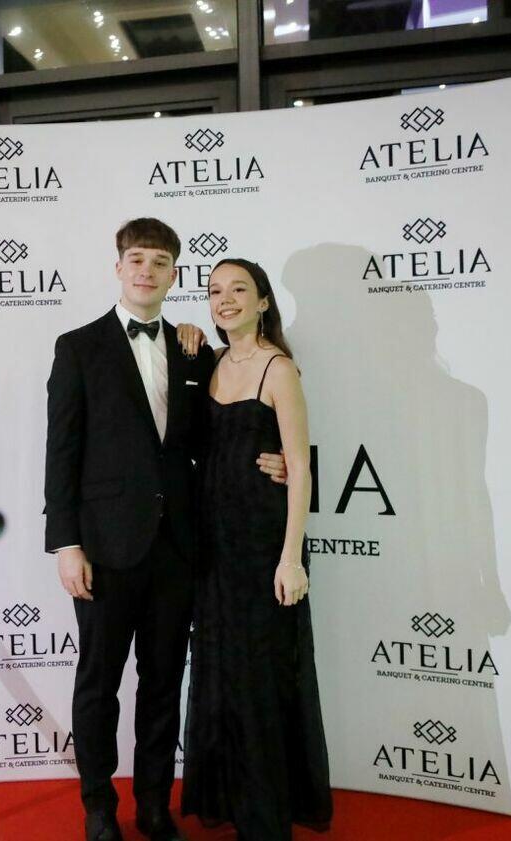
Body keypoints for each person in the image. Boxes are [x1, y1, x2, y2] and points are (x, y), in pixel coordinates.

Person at [44, 220, 286, 841]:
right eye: (137, 260)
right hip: (104, 549)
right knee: (98, 684)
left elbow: (219, 436)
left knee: (162, 683)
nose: (147, 271)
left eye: (159, 262)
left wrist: (273, 458)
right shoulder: (78, 347)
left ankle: (153, 803)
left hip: (178, 548)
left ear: (174, 274)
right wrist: (67, 545)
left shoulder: (193, 350)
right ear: (118, 268)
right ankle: (99, 807)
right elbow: (61, 454)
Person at [178, 258, 333, 840]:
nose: (225, 299)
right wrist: (185, 334)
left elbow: (300, 467)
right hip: (213, 548)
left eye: (239, 289)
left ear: (263, 301)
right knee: (221, 673)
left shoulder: (279, 369)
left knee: (261, 680)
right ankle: (230, 798)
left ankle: (264, 816)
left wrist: (291, 558)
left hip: (264, 546)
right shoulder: (210, 363)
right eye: (215, 291)